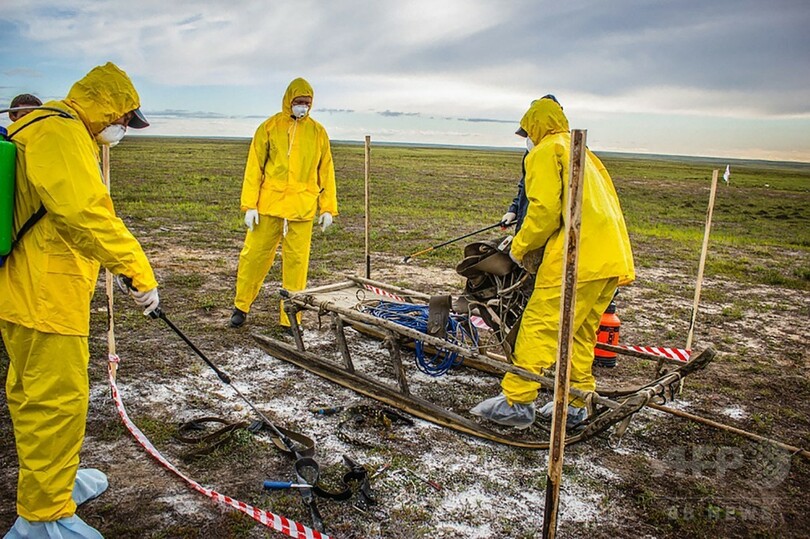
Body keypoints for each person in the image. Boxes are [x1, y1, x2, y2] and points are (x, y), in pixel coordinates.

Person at [0, 62, 158, 538]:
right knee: (55, 403)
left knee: (34, 396)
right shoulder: (61, 133)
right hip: (46, 295)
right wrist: (137, 271)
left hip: (30, 288)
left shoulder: (49, 128)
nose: (123, 130)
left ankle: (55, 484)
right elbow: (85, 214)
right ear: (109, 108)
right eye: (126, 120)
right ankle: (44, 518)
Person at [472, 96, 634, 429]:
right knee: (579, 334)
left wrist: (519, 247)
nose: (526, 139)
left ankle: (517, 402)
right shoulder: (582, 152)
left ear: (534, 126)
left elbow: (543, 211)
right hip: (608, 258)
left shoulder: (545, 152)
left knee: (540, 325)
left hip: (577, 258)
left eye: (526, 133)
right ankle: (576, 403)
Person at [230, 77, 338, 330]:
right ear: (288, 101)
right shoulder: (269, 127)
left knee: (297, 266)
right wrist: (250, 205)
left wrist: (328, 207)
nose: (303, 106)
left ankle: (290, 319)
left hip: (301, 210)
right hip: (268, 207)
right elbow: (254, 168)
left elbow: (327, 171)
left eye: (307, 103)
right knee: (253, 258)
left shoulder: (318, 132)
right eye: (298, 102)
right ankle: (240, 307)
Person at [500, 95, 563, 232]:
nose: (529, 138)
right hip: (528, 231)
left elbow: (546, 209)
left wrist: (520, 247)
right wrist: (514, 210)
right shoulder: (530, 154)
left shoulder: (563, 153)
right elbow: (526, 186)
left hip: (550, 238)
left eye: (531, 132)